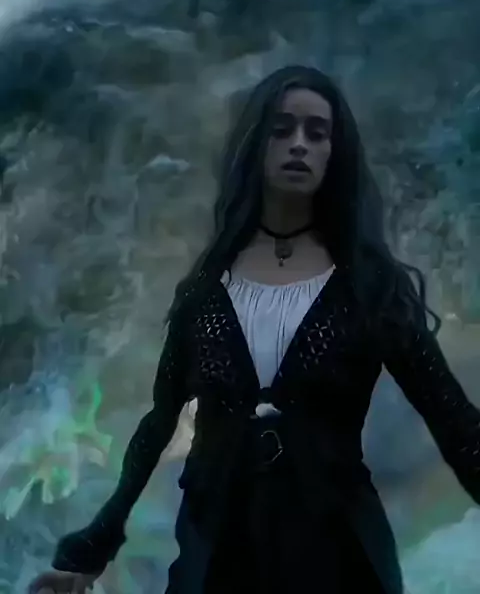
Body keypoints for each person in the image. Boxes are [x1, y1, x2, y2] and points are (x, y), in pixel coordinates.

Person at [27, 65, 480, 594]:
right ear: (256, 143)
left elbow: (453, 419)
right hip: (216, 552)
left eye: (317, 132)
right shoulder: (206, 290)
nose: (298, 144)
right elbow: (159, 423)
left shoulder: (370, 286)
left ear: (335, 153)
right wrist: (90, 551)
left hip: (339, 557)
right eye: (281, 129)